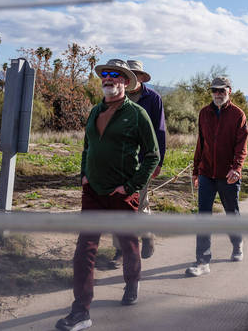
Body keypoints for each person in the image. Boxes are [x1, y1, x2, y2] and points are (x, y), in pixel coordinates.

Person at [56, 59, 159, 331]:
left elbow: (152, 155)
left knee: (128, 245)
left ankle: (132, 281)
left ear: (126, 82)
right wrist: (84, 176)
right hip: (93, 192)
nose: (109, 79)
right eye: (105, 75)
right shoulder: (94, 111)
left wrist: (131, 185)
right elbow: (87, 146)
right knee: (84, 250)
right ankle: (81, 311)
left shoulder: (137, 114)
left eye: (116, 76)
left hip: (121, 195)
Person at [185, 76, 248, 277]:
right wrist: (196, 170)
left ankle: (237, 243)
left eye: (222, 90)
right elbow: (200, 144)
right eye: (214, 90)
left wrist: (236, 168)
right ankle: (202, 261)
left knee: (232, 212)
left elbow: (241, 146)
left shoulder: (238, 115)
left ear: (230, 90)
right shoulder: (204, 113)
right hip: (206, 173)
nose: (218, 94)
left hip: (228, 174)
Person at [112, 60, 166, 261]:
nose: (132, 77)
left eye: (136, 74)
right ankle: (120, 250)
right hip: (118, 161)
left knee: (140, 204)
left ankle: (147, 234)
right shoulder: (117, 96)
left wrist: (158, 161)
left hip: (144, 160)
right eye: (129, 73)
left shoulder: (153, 98)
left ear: (142, 78)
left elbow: (160, 131)